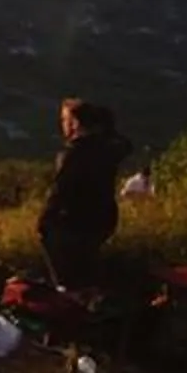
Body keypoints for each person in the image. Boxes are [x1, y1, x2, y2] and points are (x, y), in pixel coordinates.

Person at [37, 99, 137, 293]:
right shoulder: (107, 148)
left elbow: (59, 192)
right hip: (104, 218)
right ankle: (91, 294)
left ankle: (67, 295)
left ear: (74, 123)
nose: (62, 125)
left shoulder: (72, 155)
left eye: (65, 120)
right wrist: (107, 127)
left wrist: (44, 220)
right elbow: (126, 145)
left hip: (74, 222)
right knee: (87, 262)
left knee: (64, 266)